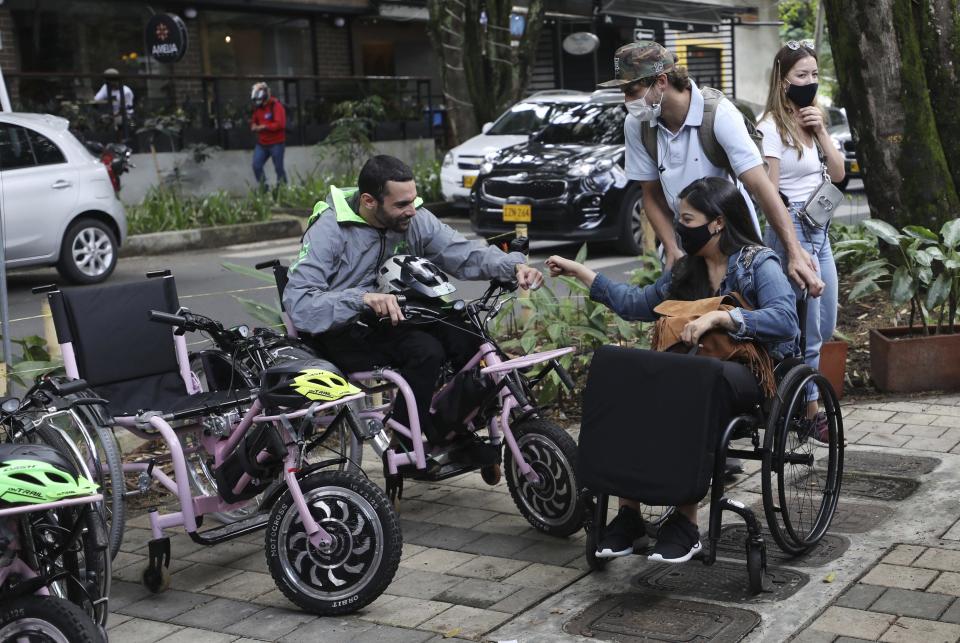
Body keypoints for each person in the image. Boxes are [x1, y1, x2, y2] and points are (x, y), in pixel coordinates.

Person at [546, 177, 798, 564]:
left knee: (687, 382)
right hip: (695, 373)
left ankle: (685, 523)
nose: (679, 228)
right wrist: (582, 272)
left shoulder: (757, 262)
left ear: (717, 222)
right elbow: (636, 303)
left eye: (687, 218)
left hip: (749, 373)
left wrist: (724, 318)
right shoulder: (686, 270)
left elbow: (785, 320)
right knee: (627, 375)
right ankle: (628, 515)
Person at [283, 155, 543, 453]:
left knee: (468, 337)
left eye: (413, 200)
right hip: (342, 328)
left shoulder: (412, 218)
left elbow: (462, 252)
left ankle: (449, 428)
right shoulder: (330, 231)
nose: (412, 211)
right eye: (401, 205)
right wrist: (361, 298)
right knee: (425, 352)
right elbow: (300, 303)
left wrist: (512, 267)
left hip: (396, 317)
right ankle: (403, 441)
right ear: (369, 201)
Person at [597, 41, 824, 298]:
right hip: (685, 237)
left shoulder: (717, 114)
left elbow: (760, 186)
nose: (627, 101)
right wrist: (672, 248)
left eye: (632, 90)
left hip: (730, 239)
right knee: (686, 324)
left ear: (661, 82)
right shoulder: (638, 125)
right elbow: (650, 193)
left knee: (738, 323)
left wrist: (793, 251)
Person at [758, 41, 845, 434]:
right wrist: (788, 241)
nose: (809, 82)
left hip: (820, 226)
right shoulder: (770, 127)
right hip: (792, 225)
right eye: (801, 76)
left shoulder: (813, 121)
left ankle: (789, 391)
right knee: (806, 327)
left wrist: (821, 129)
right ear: (782, 79)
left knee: (824, 324)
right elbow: (769, 189)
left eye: (814, 75)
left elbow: (839, 174)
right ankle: (809, 413)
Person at [250, 82, 287, 189]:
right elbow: (254, 121)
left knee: (278, 168)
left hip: (277, 143)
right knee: (256, 165)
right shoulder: (258, 108)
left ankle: (283, 190)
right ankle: (264, 189)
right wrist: (253, 126)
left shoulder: (276, 105)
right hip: (262, 143)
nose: (258, 102)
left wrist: (263, 127)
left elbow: (280, 124)